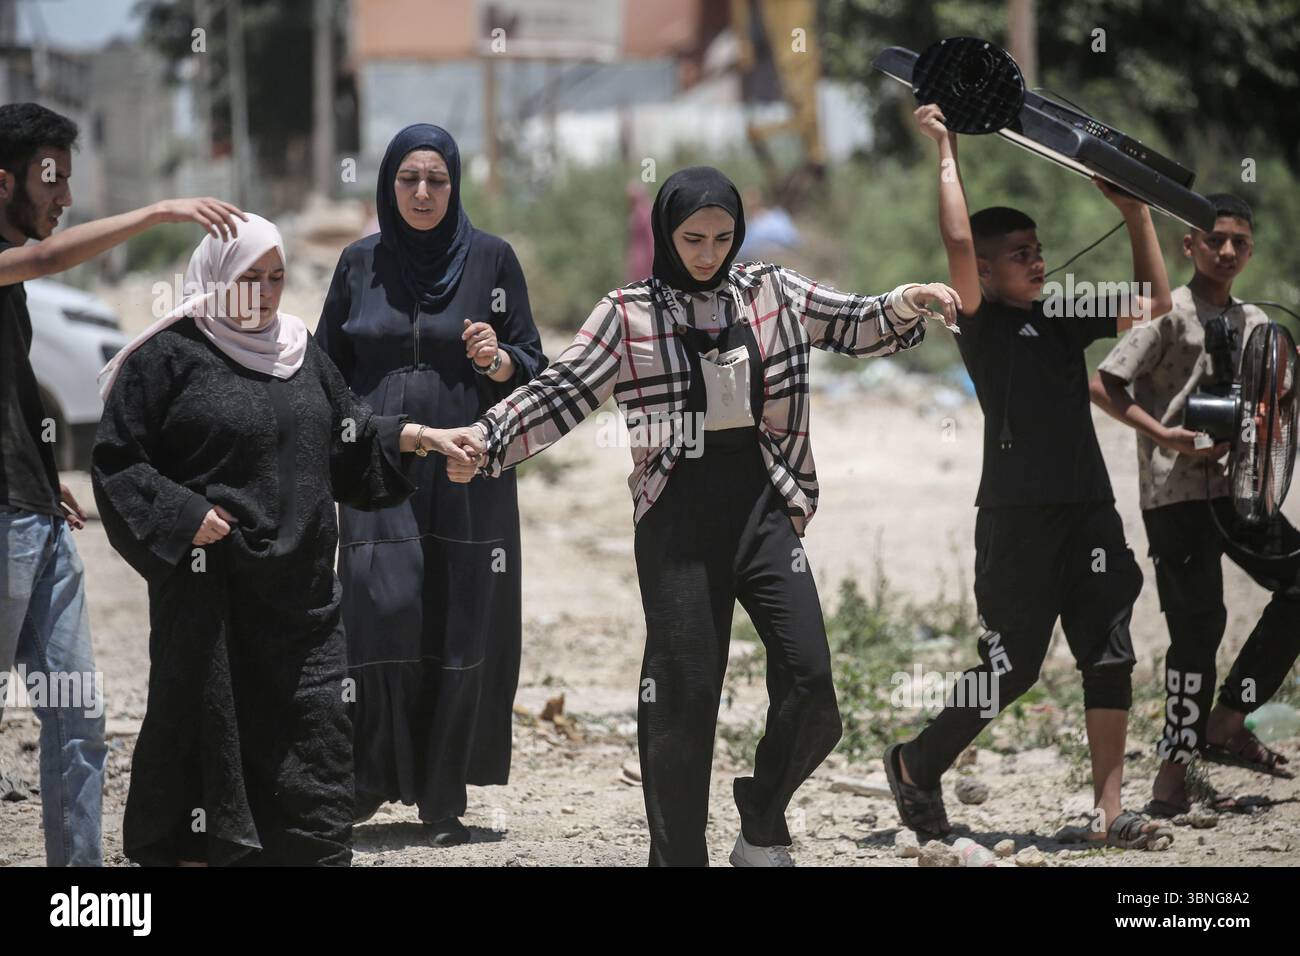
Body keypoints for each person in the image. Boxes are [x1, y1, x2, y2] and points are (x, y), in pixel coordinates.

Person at [442, 165, 960, 866]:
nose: (708, 252)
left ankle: (762, 818)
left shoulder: (770, 291)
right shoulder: (629, 312)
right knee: (683, 696)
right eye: (693, 238)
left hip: (765, 509)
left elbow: (850, 319)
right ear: (666, 233)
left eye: (722, 237)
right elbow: (562, 392)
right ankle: (678, 855)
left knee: (812, 686)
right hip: (676, 519)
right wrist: (488, 438)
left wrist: (908, 300)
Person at [92, 214, 472, 865]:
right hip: (211, 600)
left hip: (302, 599)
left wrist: (418, 438)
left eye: (276, 278)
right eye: (249, 279)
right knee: (207, 736)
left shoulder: (297, 349)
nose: (265, 293)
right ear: (216, 276)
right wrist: (183, 515)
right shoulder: (168, 356)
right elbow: (118, 462)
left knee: (317, 739)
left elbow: (347, 433)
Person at [887, 103, 1174, 850]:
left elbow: (1159, 311)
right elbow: (954, 237)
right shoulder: (978, 321)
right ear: (982, 271)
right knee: (1010, 670)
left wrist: (1137, 216)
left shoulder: (1064, 316)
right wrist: (947, 148)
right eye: (1019, 253)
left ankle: (1111, 812)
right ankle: (918, 763)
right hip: (1016, 518)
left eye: (1039, 248)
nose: (1038, 261)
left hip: (1089, 510)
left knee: (1110, 650)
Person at [0, 100, 245, 866]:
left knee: (79, 714)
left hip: (37, 517)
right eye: (52, 183)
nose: (64, 198)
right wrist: (163, 210)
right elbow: (43, 260)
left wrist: (47, 472)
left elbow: (17, 386)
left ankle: (80, 886)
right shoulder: (16, 265)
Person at [315, 124, 546, 845]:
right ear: (387, 184)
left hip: (467, 465)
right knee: (379, 610)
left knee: (459, 616)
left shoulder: (493, 260)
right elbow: (326, 371)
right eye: (408, 179)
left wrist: (498, 360)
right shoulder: (358, 265)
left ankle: (443, 799)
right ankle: (366, 779)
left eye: (437, 180)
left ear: (454, 185)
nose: (422, 193)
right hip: (380, 464)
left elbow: (536, 366)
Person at [1090, 193, 1299, 816]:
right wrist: (1163, 434)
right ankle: (1171, 777)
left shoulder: (1258, 322)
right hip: (1175, 494)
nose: (1227, 250)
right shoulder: (1165, 313)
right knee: (1195, 634)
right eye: (1214, 239)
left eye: (1239, 241)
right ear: (1189, 246)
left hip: (1241, 491)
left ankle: (1230, 717)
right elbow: (1105, 384)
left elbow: (1277, 404)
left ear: (1251, 248)